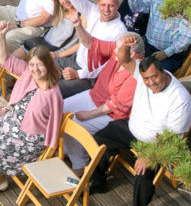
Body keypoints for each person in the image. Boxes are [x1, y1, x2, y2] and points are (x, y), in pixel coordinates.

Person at [87, 57, 191, 206]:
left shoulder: (180, 99)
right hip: (134, 128)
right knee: (101, 139)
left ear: (163, 72)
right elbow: (123, 57)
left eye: (155, 77)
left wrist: (148, 156)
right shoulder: (142, 77)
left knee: (143, 174)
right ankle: (98, 180)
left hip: (159, 143)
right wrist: (127, 45)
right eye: (147, 79)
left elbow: (174, 141)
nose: (151, 82)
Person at [0, 20, 64, 196]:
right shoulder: (29, 74)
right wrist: (1, 35)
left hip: (28, 139)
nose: (35, 69)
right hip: (11, 123)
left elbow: (55, 125)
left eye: (40, 65)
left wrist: (49, 150)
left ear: (48, 66)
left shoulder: (53, 94)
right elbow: (6, 60)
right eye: (32, 64)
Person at [61, 32, 143, 172]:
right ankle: (70, 151)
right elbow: (92, 43)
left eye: (119, 49)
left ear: (133, 54)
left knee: (74, 124)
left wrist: (88, 114)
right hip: (93, 96)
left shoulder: (138, 73)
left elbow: (115, 104)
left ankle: (80, 164)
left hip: (111, 114)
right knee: (60, 110)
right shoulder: (118, 52)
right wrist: (77, 24)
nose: (115, 51)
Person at [55, 0, 127, 97]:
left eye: (111, 6)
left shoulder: (119, 32)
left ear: (117, 6)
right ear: (98, 4)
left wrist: (78, 74)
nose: (106, 10)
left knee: (55, 91)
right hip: (75, 61)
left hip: (89, 77)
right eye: (103, 5)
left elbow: (106, 65)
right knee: (44, 66)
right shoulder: (93, 11)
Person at [126, 0, 191, 73]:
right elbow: (138, 7)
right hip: (148, 47)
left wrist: (166, 53)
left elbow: (187, 38)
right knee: (130, 63)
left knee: (155, 75)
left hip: (171, 54)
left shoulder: (186, 7)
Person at [13, 0, 77, 58]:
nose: (65, 1)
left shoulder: (82, 16)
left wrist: (59, 55)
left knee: (30, 65)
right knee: (11, 60)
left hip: (56, 52)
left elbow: (82, 44)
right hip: (41, 43)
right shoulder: (61, 9)